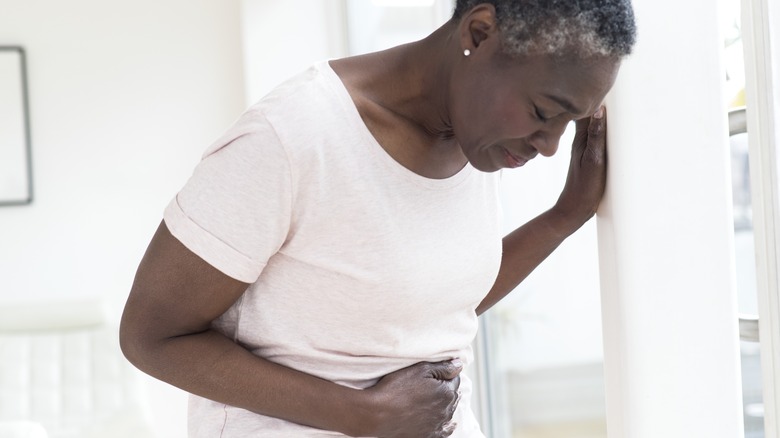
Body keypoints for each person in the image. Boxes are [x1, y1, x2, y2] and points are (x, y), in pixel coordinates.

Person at [119, 0, 636, 436]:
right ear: (480, 35)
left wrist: (564, 217)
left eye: (571, 122)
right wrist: (364, 414)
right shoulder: (290, 138)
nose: (549, 147)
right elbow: (152, 337)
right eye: (545, 113)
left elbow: (427, 305)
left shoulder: (476, 138)